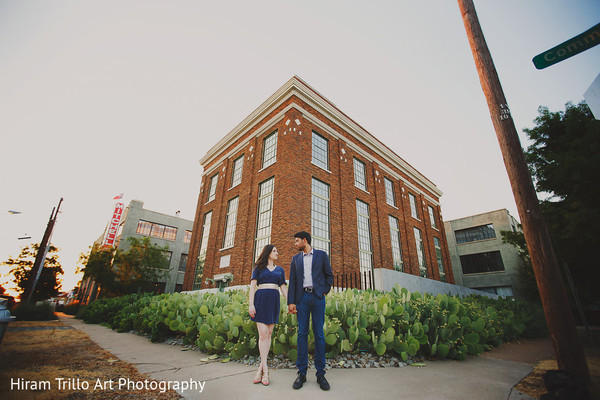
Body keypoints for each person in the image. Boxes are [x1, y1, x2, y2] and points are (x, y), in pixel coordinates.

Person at [287, 231, 333, 391]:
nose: (295, 243)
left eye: (297, 240)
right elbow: (292, 281)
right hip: (302, 299)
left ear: (304, 241)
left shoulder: (321, 255)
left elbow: (329, 275)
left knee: (319, 334)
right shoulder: (295, 259)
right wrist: (291, 302)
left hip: (318, 298)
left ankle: (321, 374)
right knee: (302, 334)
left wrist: (324, 291)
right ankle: (302, 374)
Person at [248, 244, 288, 386]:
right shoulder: (257, 268)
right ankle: (266, 371)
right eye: (275, 251)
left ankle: (261, 369)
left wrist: (290, 302)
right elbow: (253, 287)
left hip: (273, 301)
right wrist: (251, 304)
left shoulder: (280, 270)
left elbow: (283, 287)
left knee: (269, 333)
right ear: (268, 252)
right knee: (263, 334)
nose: (277, 253)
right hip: (260, 301)